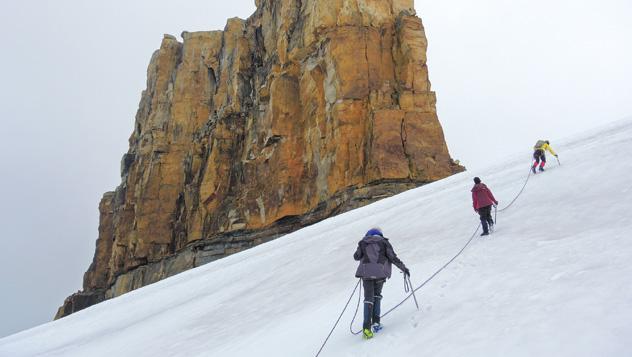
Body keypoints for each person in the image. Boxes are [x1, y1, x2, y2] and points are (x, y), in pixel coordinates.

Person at [354, 228, 409, 339]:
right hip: (380, 273)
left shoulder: (363, 242)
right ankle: (376, 323)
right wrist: (404, 268)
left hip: (366, 275)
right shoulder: (384, 242)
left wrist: (362, 247)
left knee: (368, 299)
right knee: (377, 296)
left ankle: (366, 328)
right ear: (380, 234)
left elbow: (356, 257)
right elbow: (392, 257)